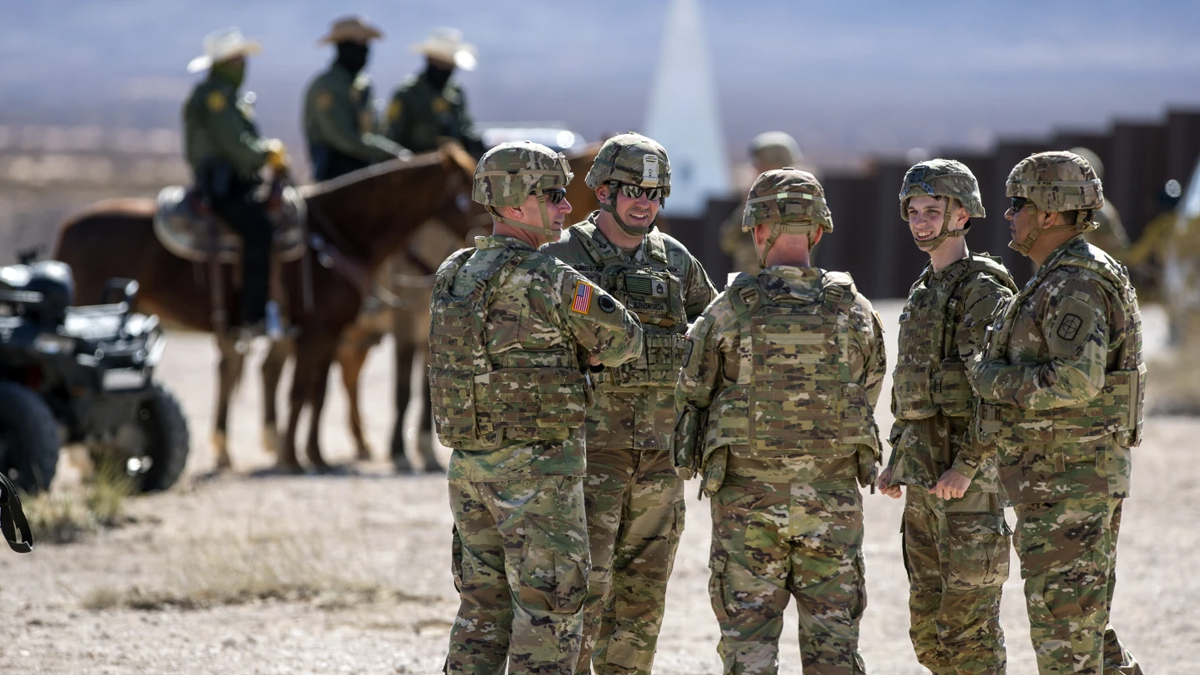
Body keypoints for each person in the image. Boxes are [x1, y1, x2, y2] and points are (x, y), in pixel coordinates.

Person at [429, 141, 644, 675]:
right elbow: (626, 338)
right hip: (538, 476)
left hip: (470, 468)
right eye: (551, 196)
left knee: (481, 611)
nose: (566, 206)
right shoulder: (549, 277)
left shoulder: (454, 273)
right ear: (512, 202)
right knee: (550, 611)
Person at [675, 168, 886, 674]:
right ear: (817, 231)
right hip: (832, 501)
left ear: (759, 230)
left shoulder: (728, 310)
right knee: (834, 648)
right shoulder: (854, 309)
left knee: (748, 645)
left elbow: (693, 391)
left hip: (747, 504)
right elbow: (868, 388)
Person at [541, 132, 716, 675]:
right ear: (603, 192)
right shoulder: (561, 258)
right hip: (587, 457)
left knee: (643, 599)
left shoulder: (676, 260)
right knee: (578, 592)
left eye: (654, 192)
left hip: (660, 459)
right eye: (632, 190)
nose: (644, 202)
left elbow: (714, 337)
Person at [970, 151, 1144, 675]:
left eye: (1017, 204)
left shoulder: (1074, 283)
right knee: (1083, 629)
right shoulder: (1065, 274)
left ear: (1048, 213)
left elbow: (1076, 379)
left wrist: (991, 377)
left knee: (1066, 639)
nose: (1008, 215)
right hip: (1065, 479)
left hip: (1069, 483)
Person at [878, 159, 1017, 675]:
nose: (921, 222)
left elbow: (997, 395)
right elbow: (912, 388)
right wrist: (898, 459)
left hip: (967, 488)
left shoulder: (983, 290)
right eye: (913, 211)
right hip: (924, 482)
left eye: (932, 211)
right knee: (930, 636)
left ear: (962, 215)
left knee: (969, 634)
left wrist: (967, 465)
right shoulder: (924, 290)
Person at [183, 27, 288, 334]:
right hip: (223, 187)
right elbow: (234, 143)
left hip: (239, 182)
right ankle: (252, 316)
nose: (243, 65)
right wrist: (265, 153)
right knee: (259, 231)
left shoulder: (229, 96)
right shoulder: (215, 97)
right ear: (223, 64)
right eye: (237, 60)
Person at [303, 15, 408, 182]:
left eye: (366, 45)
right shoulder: (327, 87)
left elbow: (373, 130)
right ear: (343, 47)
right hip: (334, 179)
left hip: (369, 174)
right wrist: (390, 152)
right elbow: (342, 137)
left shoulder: (362, 85)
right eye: (359, 45)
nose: (365, 51)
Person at [385, 28, 485, 157]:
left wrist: (472, 138)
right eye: (442, 64)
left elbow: (465, 124)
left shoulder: (456, 92)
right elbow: (391, 134)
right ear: (430, 60)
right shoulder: (408, 93)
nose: (446, 69)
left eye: (450, 65)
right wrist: (405, 156)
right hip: (417, 163)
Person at [719, 131, 805, 276]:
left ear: (778, 165)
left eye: (761, 164)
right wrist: (747, 207)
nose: (756, 169)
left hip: (781, 284)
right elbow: (728, 243)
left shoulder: (798, 202)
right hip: (749, 284)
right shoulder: (757, 198)